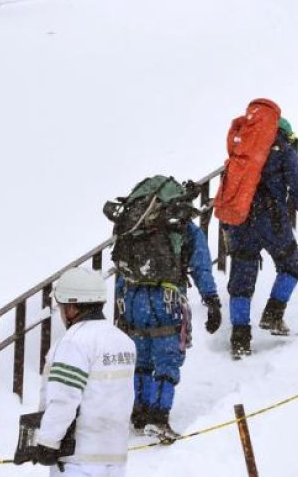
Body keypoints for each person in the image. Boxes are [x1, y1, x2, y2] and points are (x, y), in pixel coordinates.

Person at [106, 176, 221, 440]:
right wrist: (211, 299)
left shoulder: (133, 227)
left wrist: (120, 305)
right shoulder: (183, 228)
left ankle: (139, 411)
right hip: (166, 299)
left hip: (133, 296)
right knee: (167, 359)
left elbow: (121, 265)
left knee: (142, 358)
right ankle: (159, 417)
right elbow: (201, 265)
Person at [222, 117, 298, 359]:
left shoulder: (241, 150)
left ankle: (240, 339)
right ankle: (273, 315)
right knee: (291, 264)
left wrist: (225, 224)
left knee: (241, 282)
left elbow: (227, 189)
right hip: (272, 219)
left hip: (240, 219)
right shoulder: (282, 149)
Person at [28, 267, 136, 477]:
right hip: (115, 457)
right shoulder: (124, 341)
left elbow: (64, 398)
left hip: (77, 460)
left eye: (61, 307)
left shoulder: (73, 342)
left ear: (71, 307)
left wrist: (47, 441)